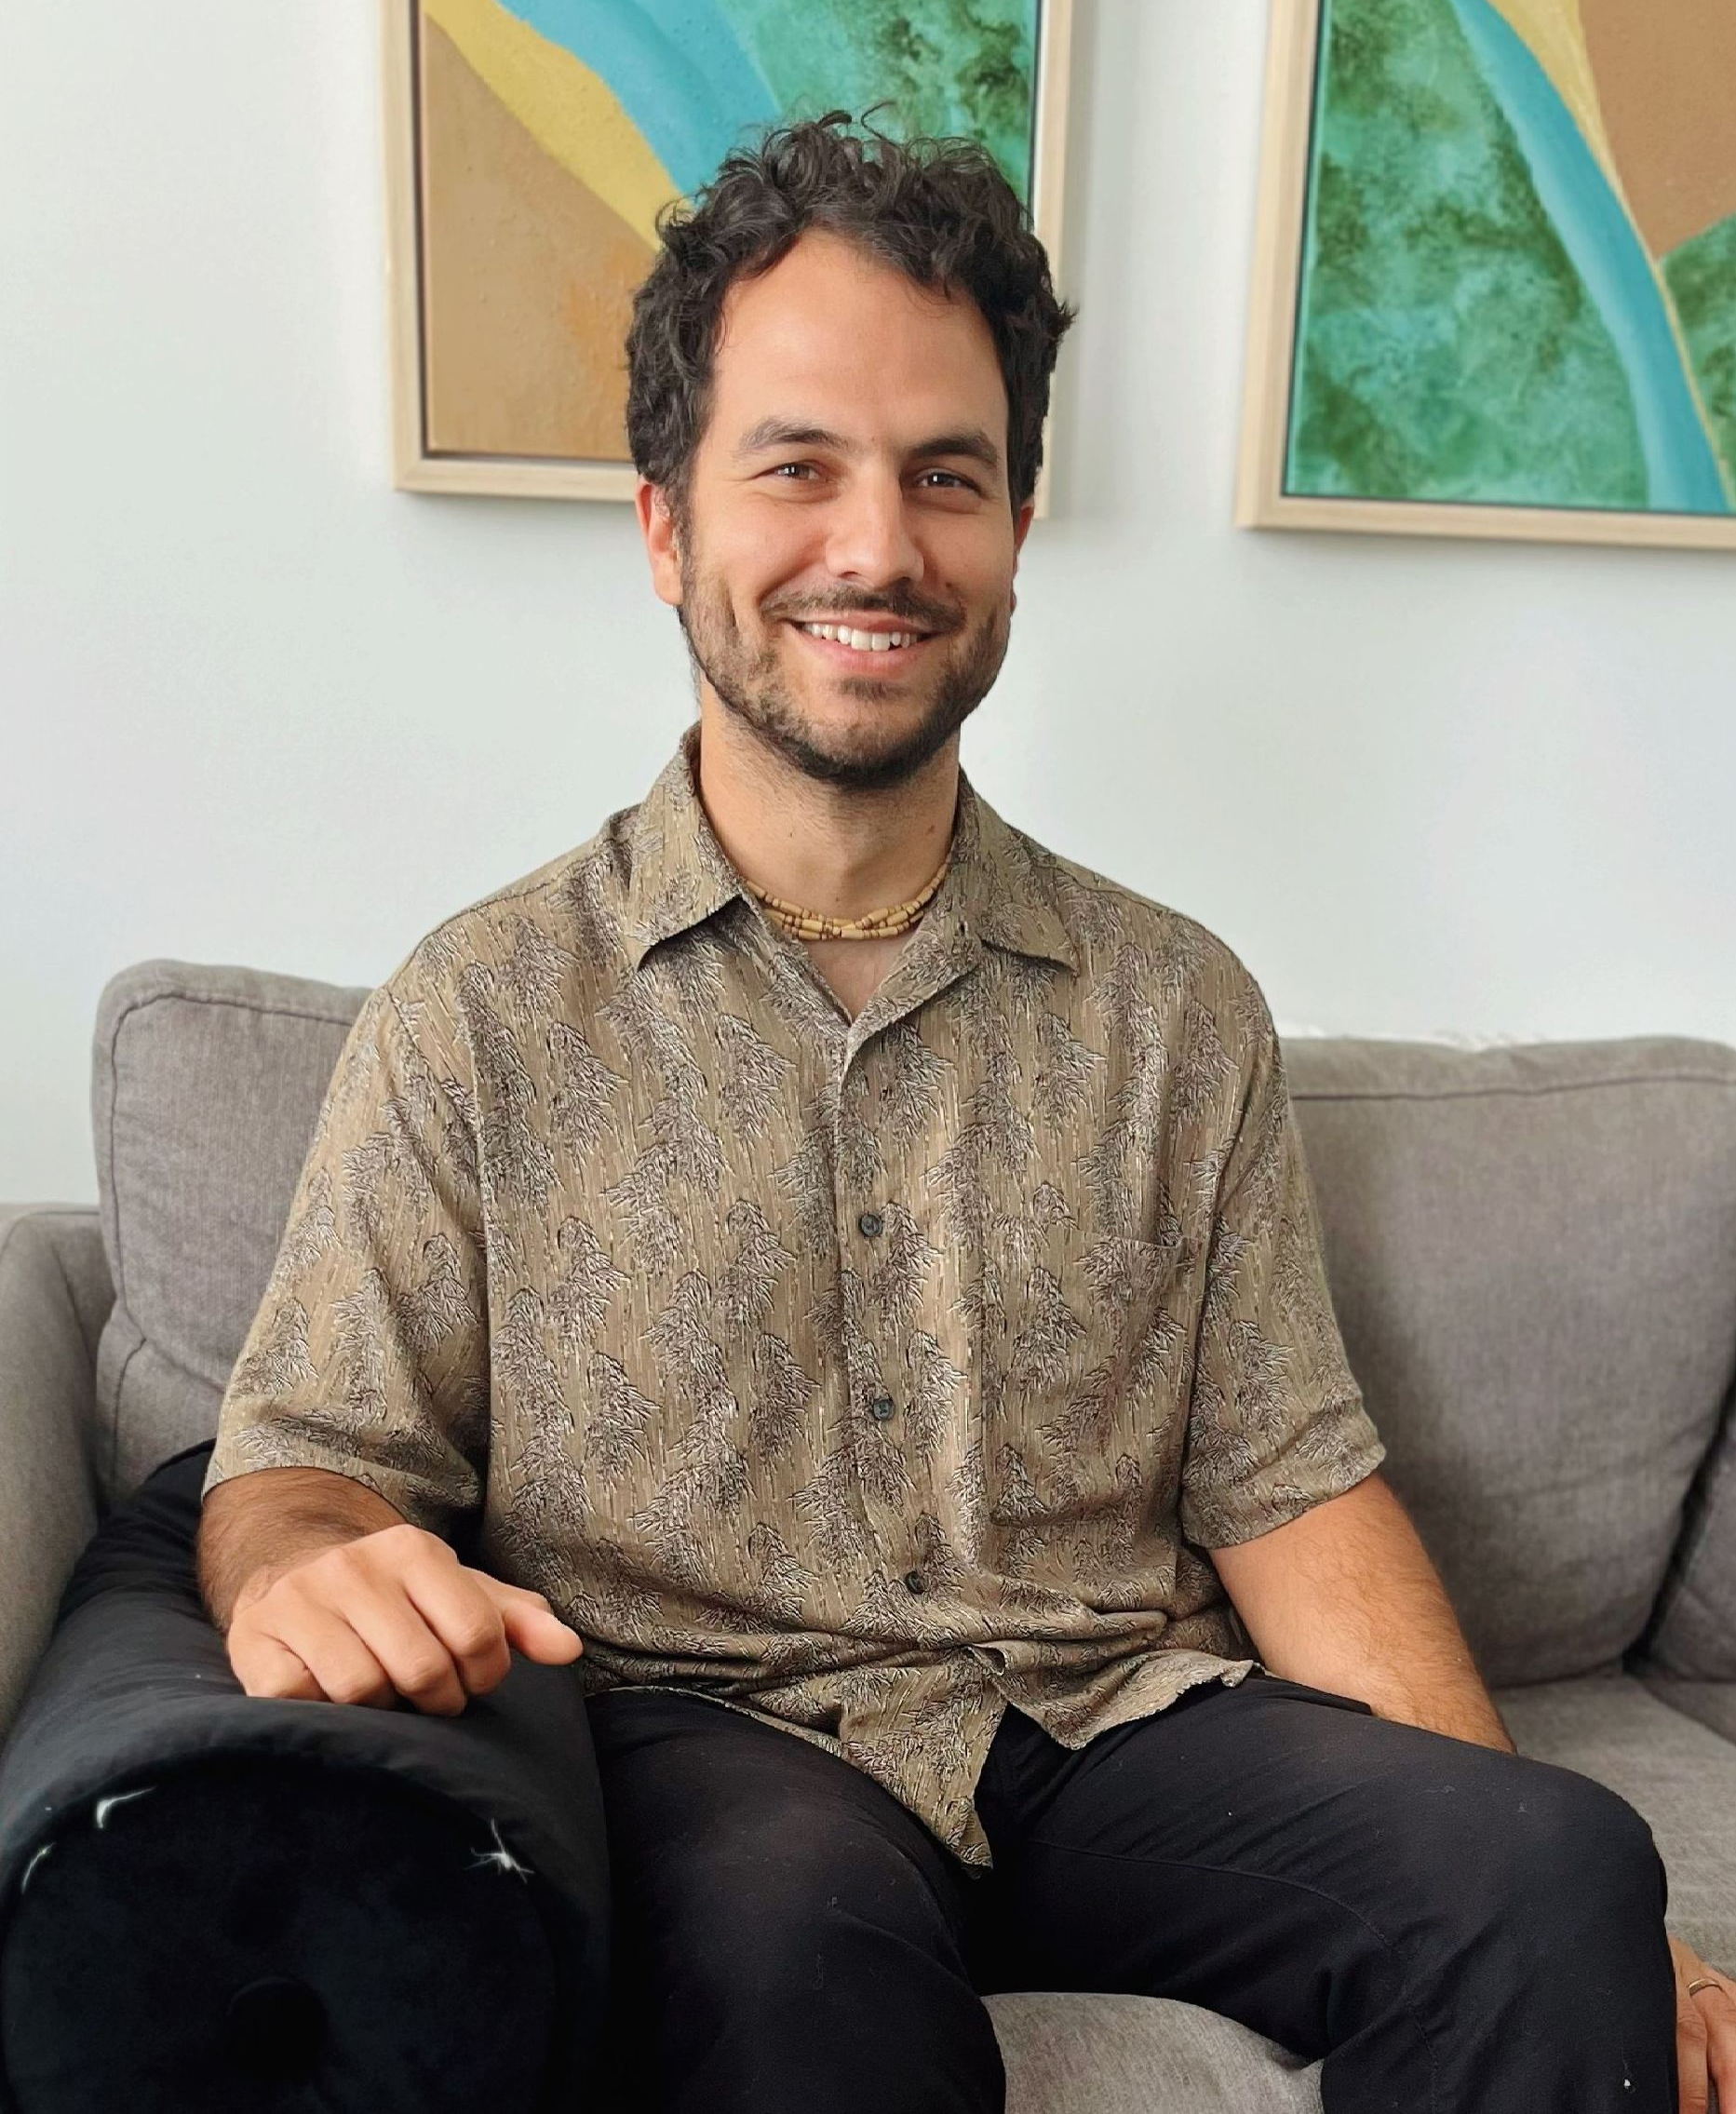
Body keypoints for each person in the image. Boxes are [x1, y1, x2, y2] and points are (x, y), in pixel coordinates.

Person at [195, 113, 1732, 2114]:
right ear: (663, 525)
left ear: (1011, 530)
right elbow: (299, 1463)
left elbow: (1292, 1486)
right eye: (796, 467)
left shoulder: (1174, 1007)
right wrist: (300, 1557)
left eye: (947, 475)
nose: (875, 546)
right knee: (794, 1972)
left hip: (1108, 1725)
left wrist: (1587, 1906)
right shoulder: (477, 1014)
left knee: (1556, 1880)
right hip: (708, 1747)